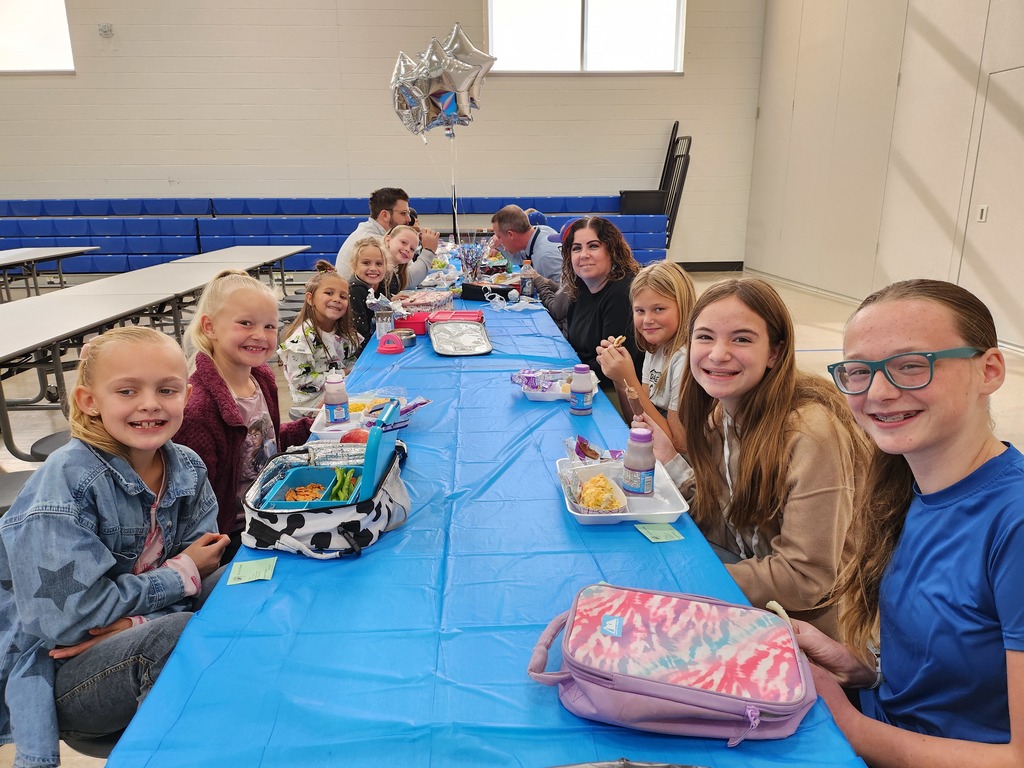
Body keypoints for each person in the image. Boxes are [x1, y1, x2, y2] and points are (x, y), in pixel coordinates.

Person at [794, 279, 1023, 766]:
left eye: (911, 366)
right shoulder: (906, 488)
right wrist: (860, 669)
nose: (878, 391)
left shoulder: (1013, 526)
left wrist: (851, 727)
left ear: (989, 370)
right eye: (859, 371)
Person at [0, 327, 230, 766]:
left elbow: (203, 571)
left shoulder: (187, 468)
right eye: (127, 391)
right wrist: (177, 577)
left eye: (167, 389)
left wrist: (135, 619)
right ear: (90, 401)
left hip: (132, 630)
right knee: (176, 635)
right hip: (66, 674)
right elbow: (68, 625)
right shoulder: (66, 483)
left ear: (186, 392)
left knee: (241, 579)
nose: (150, 404)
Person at [633, 277, 869, 638]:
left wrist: (689, 577)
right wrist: (670, 462)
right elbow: (725, 524)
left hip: (808, 627)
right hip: (752, 592)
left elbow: (807, 578)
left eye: (741, 339)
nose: (718, 354)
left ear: (774, 352)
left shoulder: (812, 434)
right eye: (705, 337)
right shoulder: (720, 415)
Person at [175, 269, 311, 562]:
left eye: (270, 326)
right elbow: (193, 503)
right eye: (246, 323)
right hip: (236, 535)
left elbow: (263, 444)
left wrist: (312, 426)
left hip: (272, 503)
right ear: (210, 327)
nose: (260, 336)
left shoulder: (260, 378)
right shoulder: (199, 409)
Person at [533, 217, 643, 402]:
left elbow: (611, 367)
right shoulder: (580, 287)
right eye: (576, 248)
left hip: (614, 391)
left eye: (593, 246)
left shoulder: (621, 294)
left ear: (612, 250)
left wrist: (565, 376)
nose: (583, 254)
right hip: (585, 378)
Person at [595, 260, 696, 449]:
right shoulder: (654, 347)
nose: (648, 320)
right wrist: (618, 379)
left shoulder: (685, 359)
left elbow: (678, 444)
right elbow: (638, 418)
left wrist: (629, 378)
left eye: (659, 309)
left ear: (683, 306)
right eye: (640, 311)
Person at [278, 260, 362, 419]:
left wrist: (354, 373)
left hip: (338, 390)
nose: (337, 299)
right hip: (312, 404)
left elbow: (351, 361)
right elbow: (301, 380)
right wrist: (341, 375)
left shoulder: (343, 333)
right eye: (329, 293)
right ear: (310, 299)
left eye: (343, 296)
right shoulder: (302, 339)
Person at [335, 187, 440, 279]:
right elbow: (408, 279)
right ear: (385, 215)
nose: (408, 219)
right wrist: (429, 250)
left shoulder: (370, 231)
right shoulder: (373, 242)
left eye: (408, 213)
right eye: (403, 214)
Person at [489, 204, 562, 281]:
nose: (498, 240)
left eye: (499, 237)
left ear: (511, 234)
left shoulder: (545, 257)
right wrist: (500, 246)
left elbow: (565, 291)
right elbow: (519, 258)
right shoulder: (539, 231)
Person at [347, 236, 389, 349]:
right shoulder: (355, 289)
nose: (373, 268)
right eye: (366, 263)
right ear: (354, 265)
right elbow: (360, 334)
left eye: (379, 264)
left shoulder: (377, 284)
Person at [382, 224, 423, 295]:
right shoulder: (379, 271)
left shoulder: (396, 274)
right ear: (388, 240)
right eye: (403, 242)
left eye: (412, 249)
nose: (407, 249)